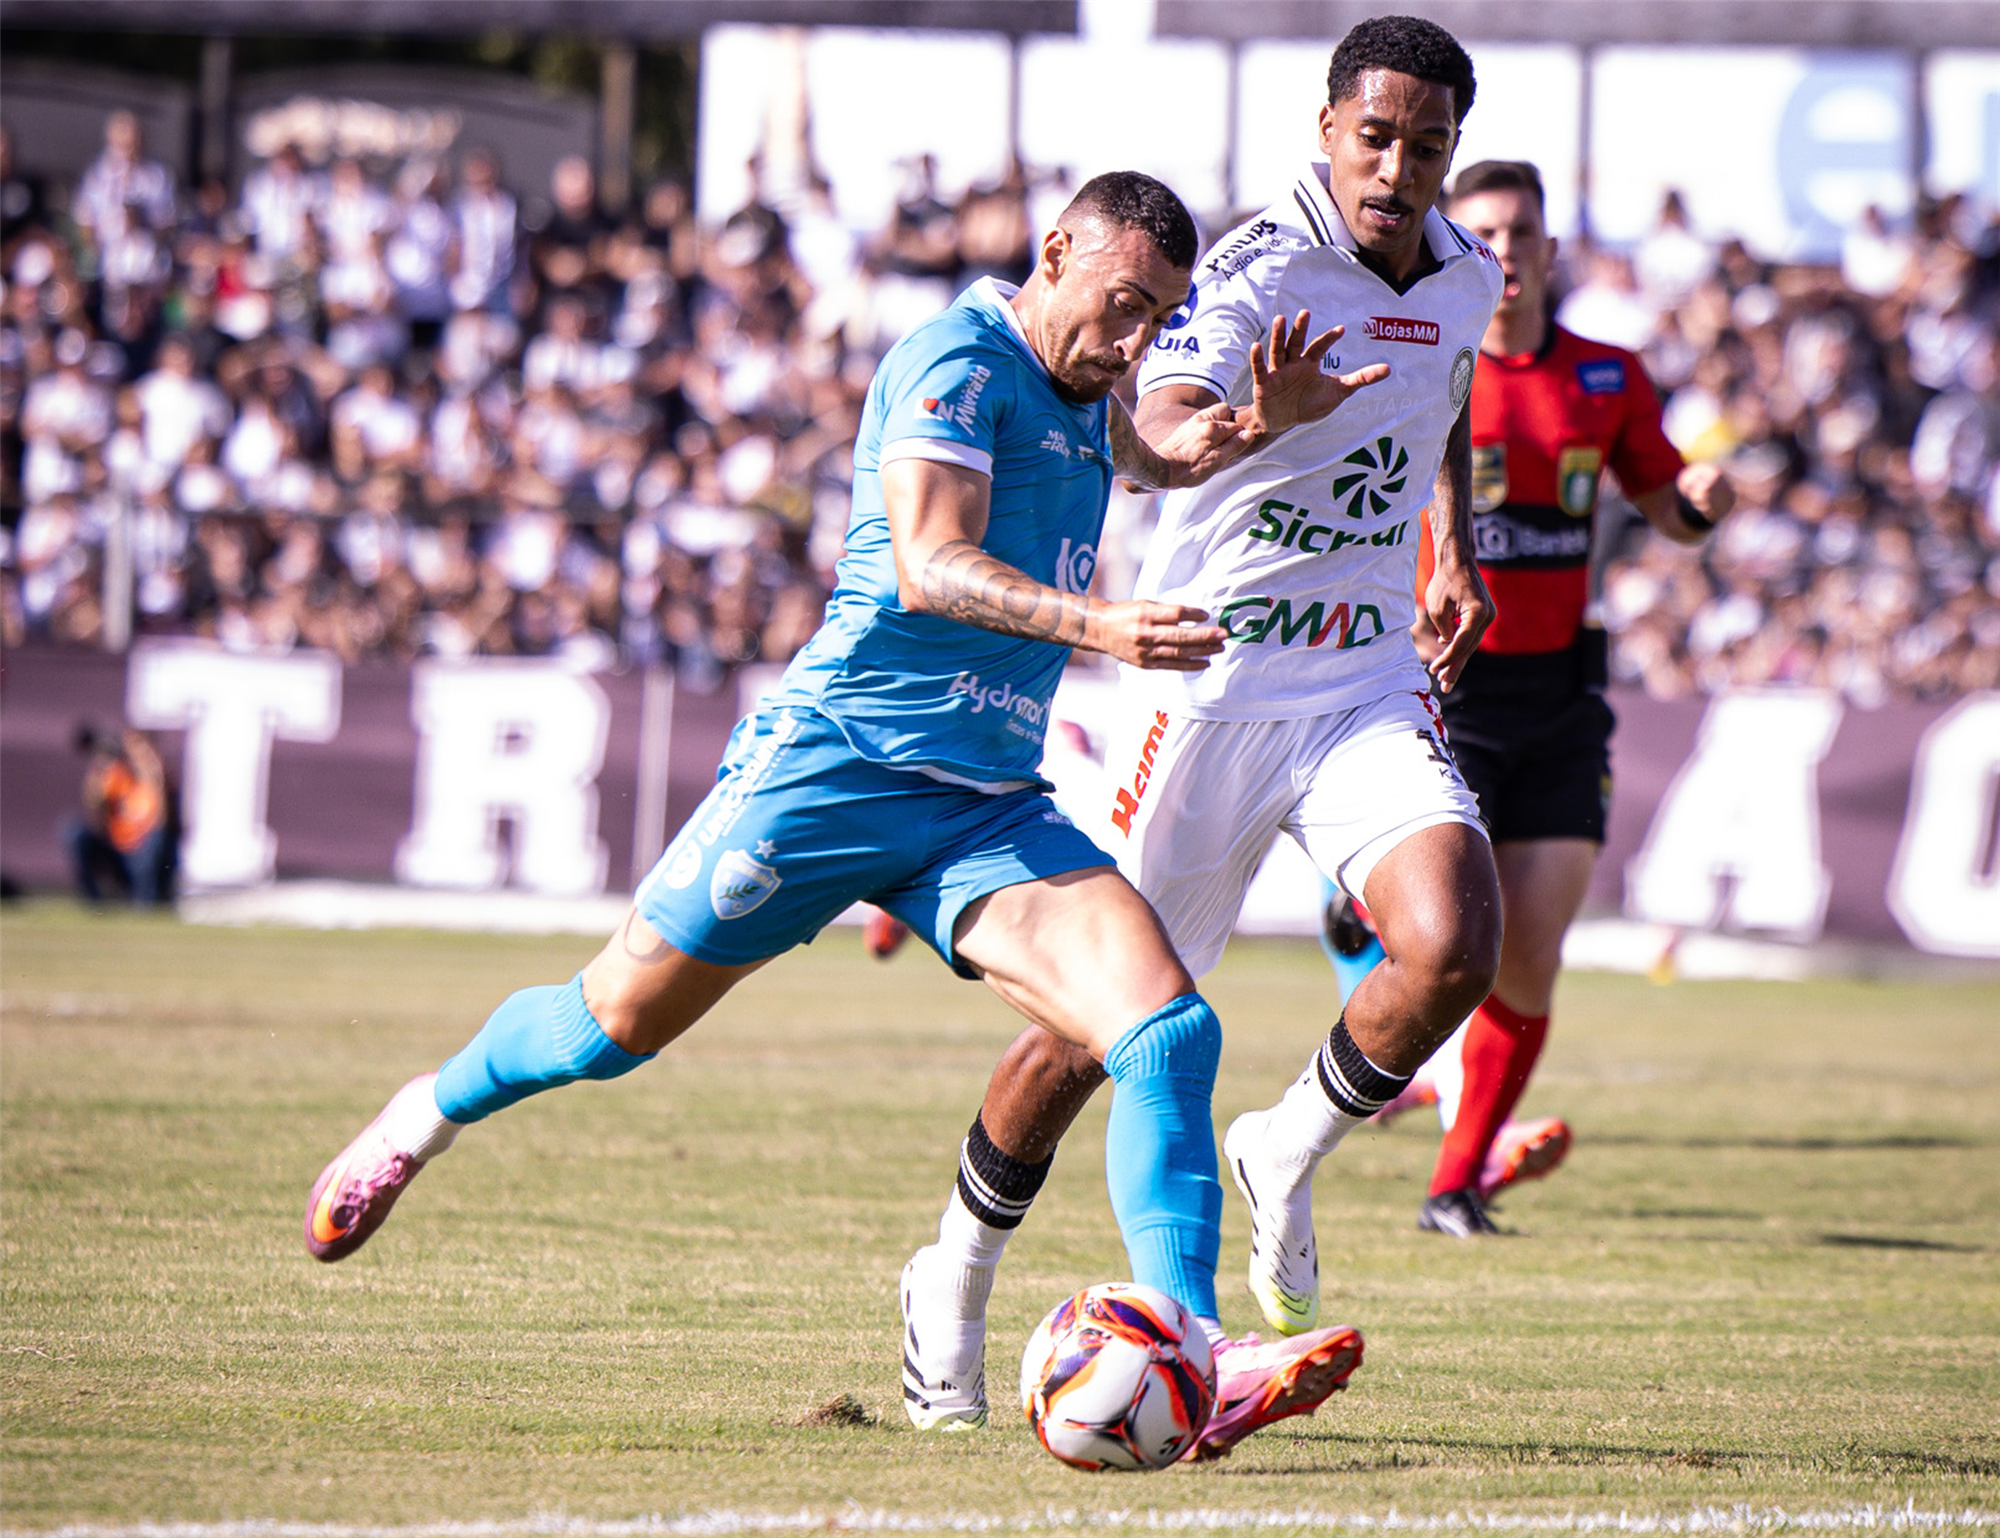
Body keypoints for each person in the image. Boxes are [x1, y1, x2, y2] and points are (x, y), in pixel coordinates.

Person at [300, 171, 1372, 1459]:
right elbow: (926, 563)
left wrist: (1255, 423)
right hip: (830, 768)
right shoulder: (956, 363)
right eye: (1122, 307)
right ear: (1053, 256)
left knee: (1163, 1029)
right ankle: (421, 1115)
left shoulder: (1091, 387)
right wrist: (1100, 627)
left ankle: (1197, 1356)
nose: (1138, 341)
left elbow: (1148, 450)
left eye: (1161, 318)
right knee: (605, 1029)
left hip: (981, 803)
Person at [899, 12, 1507, 1433]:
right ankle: (954, 1269)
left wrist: (1453, 547)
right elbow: (1159, 416)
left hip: (1356, 680)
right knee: (1082, 1034)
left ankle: (1282, 1149)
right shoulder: (1253, 266)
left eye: (1426, 145)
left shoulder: (1466, 272)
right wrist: (1240, 415)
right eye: (1375, 136)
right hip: (1209, 690)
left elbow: (1445, 394)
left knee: (1454, 938)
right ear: (1325, 129)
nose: (1398, 166)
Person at [1342, 158, 1735, 1232]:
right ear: (1449, 250)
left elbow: (1665, 506)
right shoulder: (1414, 360)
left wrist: (1699, 503)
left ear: (1549, 252)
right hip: (1439, 686)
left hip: (1561, 694)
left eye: (1520, 232)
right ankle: (1388, 1018)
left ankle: (1453, 1182)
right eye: (1481, 233)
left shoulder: (1606, 377)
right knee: (1440, 936)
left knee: (1529, 947)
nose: (1503, 251)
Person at [64, 723, 176, 905]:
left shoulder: (157, 779)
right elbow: (96, 816)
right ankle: (94, 902)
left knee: (157, 840)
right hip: (118, 850)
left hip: (143, 855)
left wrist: (155, 776)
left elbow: (162, 825)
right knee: (73, 831)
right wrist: (98, 772)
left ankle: (145, 903)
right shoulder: (117, 775)